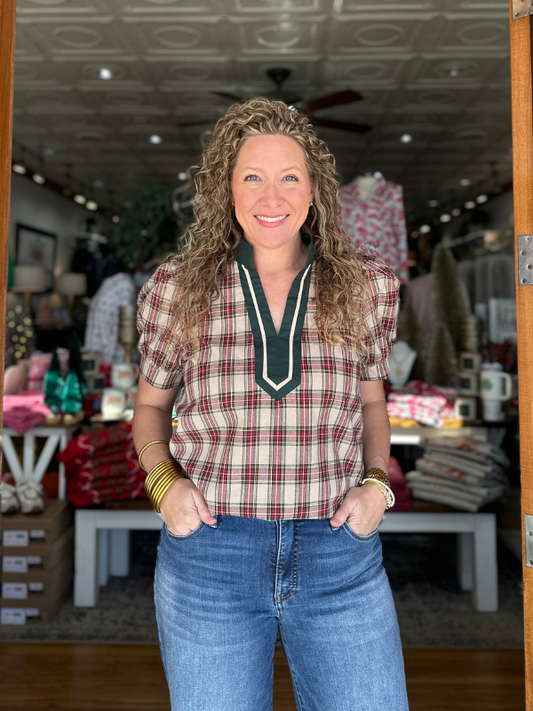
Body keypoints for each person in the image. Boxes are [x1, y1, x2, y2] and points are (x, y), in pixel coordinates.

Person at [133, 97, 409, 711]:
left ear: (315, 192)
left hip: (339, 554)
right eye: (252, 177)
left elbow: (372, 405)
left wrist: (376, 485)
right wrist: (162, 484)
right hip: (211, 557)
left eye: (290, 177)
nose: (271, 196)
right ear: (225, 190)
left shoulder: (366, 286)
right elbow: (149, 410)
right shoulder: (178, 289)